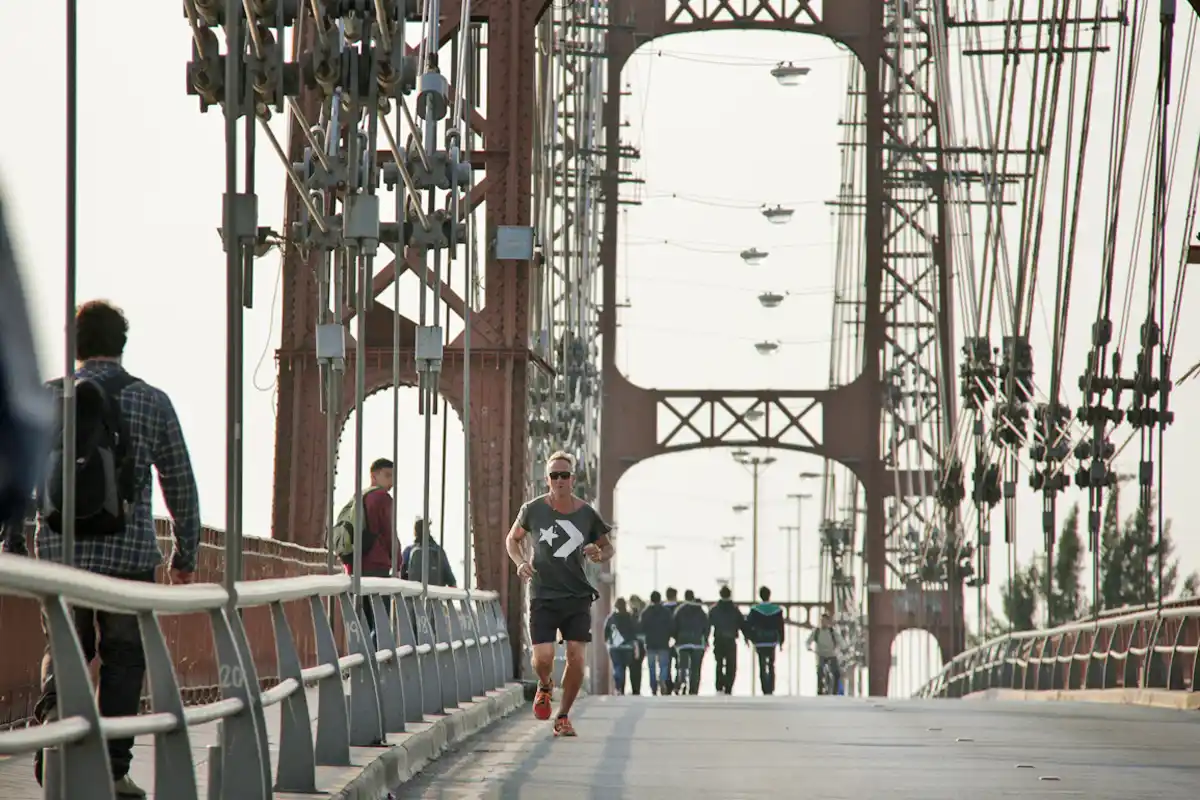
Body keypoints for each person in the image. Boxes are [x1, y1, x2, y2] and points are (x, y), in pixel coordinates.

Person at [26, 300, 200, 798]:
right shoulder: (151, 401)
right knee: (124, 661)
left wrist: (15, 540)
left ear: (74, 346)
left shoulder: (45, 400)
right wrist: (184, 554)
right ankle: (113, 768)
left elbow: (18, 477)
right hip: (128, 560)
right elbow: (179, 482)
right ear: (121, 344)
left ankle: (54, 725)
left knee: (64, 650)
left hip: (59, 558)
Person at [506, 450, 614, 737]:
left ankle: (563, 716)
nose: (559, 480)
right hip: (542, 593)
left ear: (573, 479)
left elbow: (608, 547)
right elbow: (512, 540)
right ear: (547, 479)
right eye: (554, 475)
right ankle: (545, 685)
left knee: (577, 657)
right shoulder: (532, 509)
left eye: (564, 475)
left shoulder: (586, 513)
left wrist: (597, 553)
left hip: (576, 596)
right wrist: (520, 563)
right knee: (543, 658)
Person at [0, 195, 51, 532]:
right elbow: (177, 475)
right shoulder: (153, 401)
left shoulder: (58, 396)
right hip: (129, 558)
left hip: (56, 551)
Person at [335, 458, 396, 642]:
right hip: (377, 567)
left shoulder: (359, 496)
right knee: (380, 622)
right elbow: (389, 534)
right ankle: (377, 666)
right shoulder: (382, 498)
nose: (391, 481)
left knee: (360, 622)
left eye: (393, 476)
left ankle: (360, 664)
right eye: (387, 475)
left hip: (355, 566)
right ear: (374, 476)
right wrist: (398, 562)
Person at [745, 585, 785, 696]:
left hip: (760, 640)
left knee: (762, 665)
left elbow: (749, 625)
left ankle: (764, 688)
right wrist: (781, 640)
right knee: (771, 664)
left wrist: (750, 638)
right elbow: (780, 626)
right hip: (772, 640)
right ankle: (771, 688)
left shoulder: (754, 610)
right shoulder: (777, 610)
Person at [708, 585, 745, 694]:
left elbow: (708, 624)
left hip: (718, 638)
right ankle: (728, 686)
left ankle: (719, 685)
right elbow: (742, 624)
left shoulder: (714, 609)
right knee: (731, 664)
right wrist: (747, 637)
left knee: (719, 662)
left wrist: (705, 638)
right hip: (730, 639)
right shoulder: (735, 609)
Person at [672, 589, 710, 695]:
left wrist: (676, 638)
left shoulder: (679, 610)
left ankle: (681, 682)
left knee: (682, 665)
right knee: (696, 668)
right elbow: (706, 627)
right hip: (698, 643)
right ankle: (693, 690)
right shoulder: (701, 611)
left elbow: (674, 626)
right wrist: (705, 639)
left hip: (682, 642)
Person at [402, 517, 457, 587]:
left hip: (413, 595)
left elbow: (401, 575)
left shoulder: (408, 551)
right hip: (436, 595)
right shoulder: (439, 551)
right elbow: (450, 578)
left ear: (415, 532)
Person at [638, 590, 673, 695]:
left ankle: (653, 687)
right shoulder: (666, 612)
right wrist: (669, 636)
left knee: (652, 667)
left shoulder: (645, 612)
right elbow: (672, 627)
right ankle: (662, 680)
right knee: (664, 665)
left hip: (650, 643)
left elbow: (641, 628)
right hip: (663, 642)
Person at [603, 597, 637, 694]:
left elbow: (605, 632)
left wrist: (607, 642)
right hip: (628, 647)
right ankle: (622, 688)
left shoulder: (611, 618)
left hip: (614, 647)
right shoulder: (630, 617)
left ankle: (619, 688)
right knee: (625, 667)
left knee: (618, 667)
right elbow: (634, 631)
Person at [808, 612, 845, 695]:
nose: (823, 622)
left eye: (825, 621)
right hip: (821, 654)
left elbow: (840, 640)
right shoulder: (817, 631)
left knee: (836, 673)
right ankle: (820, 689)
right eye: (822, 621)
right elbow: (808, 641)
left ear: (828, 622)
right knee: (820, 670)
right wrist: (808, 647)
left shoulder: (832, 631)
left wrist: (843, 646)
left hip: (831, 654)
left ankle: (835, 691)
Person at [661, 586, 681, 693]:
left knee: (666, 664)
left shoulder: (662, 609)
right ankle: (678, 683)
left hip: (664, 640)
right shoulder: (680, 608)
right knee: (679, 663)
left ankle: (668, 685)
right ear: (675, 596)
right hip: (678, 640)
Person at [626, 594, 647, 695]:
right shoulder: (643, 614)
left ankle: (635, 688)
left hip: (634, 643)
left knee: (633, 666)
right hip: (640, 643)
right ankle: (636, 688)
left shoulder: (633, 615)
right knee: (636, 666)